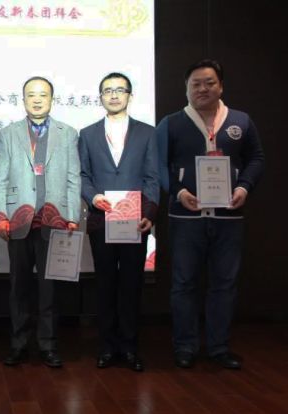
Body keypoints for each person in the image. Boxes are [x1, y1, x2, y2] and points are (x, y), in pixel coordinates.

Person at [157, 59, 264, 369]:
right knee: (184, 283)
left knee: (224, 284)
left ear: (221, 86)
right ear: (186, 88)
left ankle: (219, 347)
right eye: (196, 84)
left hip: (228, 217)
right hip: (185, 217)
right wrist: (178, 192)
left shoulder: (241, 121)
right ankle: (185, 347)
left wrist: (244, 187)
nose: (202, 89)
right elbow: (158, 165)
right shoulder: (171, 123)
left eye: (209, 82)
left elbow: (256, 158)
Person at [0, 76, 81, 368]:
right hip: (18, 220)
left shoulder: (68, 133)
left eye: (43, 95)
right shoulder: (8, 133)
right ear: (23, 100)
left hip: (53, 220)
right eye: (31, 95)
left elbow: (73, 178)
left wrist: (72, 216)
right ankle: (18, 344)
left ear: (52, 99)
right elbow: (1, 178)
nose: (37, 99)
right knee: (18, 287)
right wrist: (0, 215)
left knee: (49, 289)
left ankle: (48, 345)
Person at [79, 72, 159, 372]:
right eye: (107, 90)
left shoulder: (147, 133)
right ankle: (106, 347)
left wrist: (149, 213)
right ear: (100, 97)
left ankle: (129, 347)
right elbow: (83, 175)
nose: (113, 95)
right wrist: (93, 196)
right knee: (105, 285)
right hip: (101, 219)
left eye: (119, 90)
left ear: (130, 95)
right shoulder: (87, 134)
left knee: (131, 285)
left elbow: (153, 177)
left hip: (135, 220)